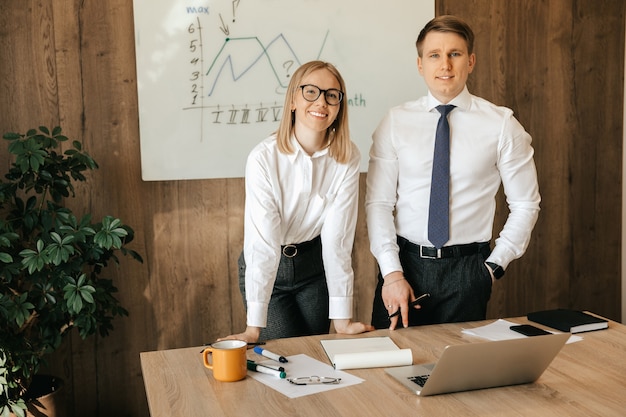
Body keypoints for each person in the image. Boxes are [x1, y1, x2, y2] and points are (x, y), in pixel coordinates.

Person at [366, 15, 540, 330]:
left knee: (457, 373)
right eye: (434, 55)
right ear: (420, 64)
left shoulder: (501, 125)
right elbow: (378, 204)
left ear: (470, 61)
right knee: (389, 367)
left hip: (468, 270)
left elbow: (526, 204)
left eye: (455, 54)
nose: (445, 64)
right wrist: (392, 273)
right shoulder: (395, 122)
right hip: (404, 267)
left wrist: (493, 267)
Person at [219, 61, 374, 343]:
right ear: (292, 100)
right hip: (270, 270)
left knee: (314, 356)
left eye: (331, 95)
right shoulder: (263, 158)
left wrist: (343, 321)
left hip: (314, 267)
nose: (321, 102)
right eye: (311, 92)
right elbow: (262, 243)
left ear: (340, 107)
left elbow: (338, 239)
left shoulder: (347, 157)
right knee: (287, 358)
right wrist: (253, 328)